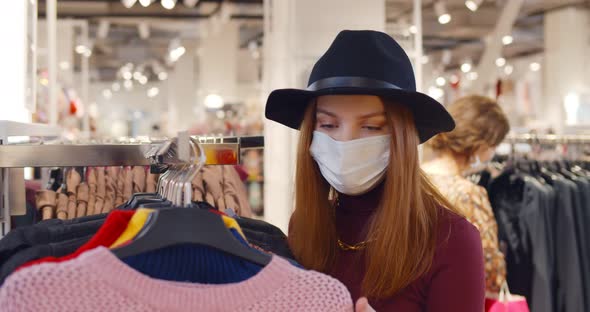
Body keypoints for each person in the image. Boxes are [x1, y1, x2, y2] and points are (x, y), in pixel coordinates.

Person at [265, 30, 485, 311]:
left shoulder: (450, 239)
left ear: (401, 137)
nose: (346, 141)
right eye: (329, 125)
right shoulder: (306, 225)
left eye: (371, 126)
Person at [422, 95, 510, 298]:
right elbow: (490, 271)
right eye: (493, 146)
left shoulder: (413, 180)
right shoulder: (468, 194)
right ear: (481, 144)